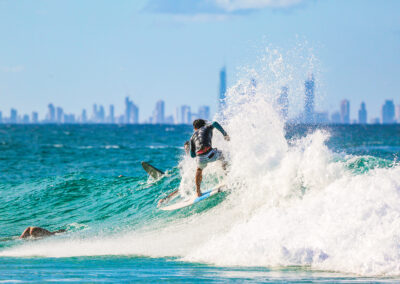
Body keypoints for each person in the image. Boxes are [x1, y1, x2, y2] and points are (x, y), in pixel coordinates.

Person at [189, 119, 230, 197]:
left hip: (200, 158)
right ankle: (227, 176)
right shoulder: (207, 127)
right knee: (222, 155)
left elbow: (192, 155)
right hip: (211, 154)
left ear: (195, 128)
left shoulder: (192, 137)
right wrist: (225, 134)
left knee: (199, 169)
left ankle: (198, 191)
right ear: (204, 124)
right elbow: (214, 123)